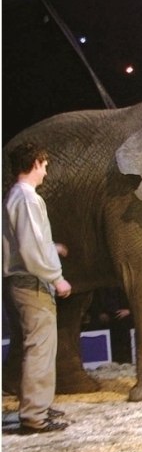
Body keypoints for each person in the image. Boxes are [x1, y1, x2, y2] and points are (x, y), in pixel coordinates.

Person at [2, 142, 71, 433]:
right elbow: (31, 249)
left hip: (24, 280)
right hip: (31, 283)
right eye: (44, 165)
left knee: (41, 345)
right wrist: (56, 276)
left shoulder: (17, 197)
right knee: (39, 347)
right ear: (35, 163)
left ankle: (38, 404)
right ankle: (34, 415)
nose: (45, 172)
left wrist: (52, 248)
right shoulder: (27, 198)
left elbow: (29, 241)